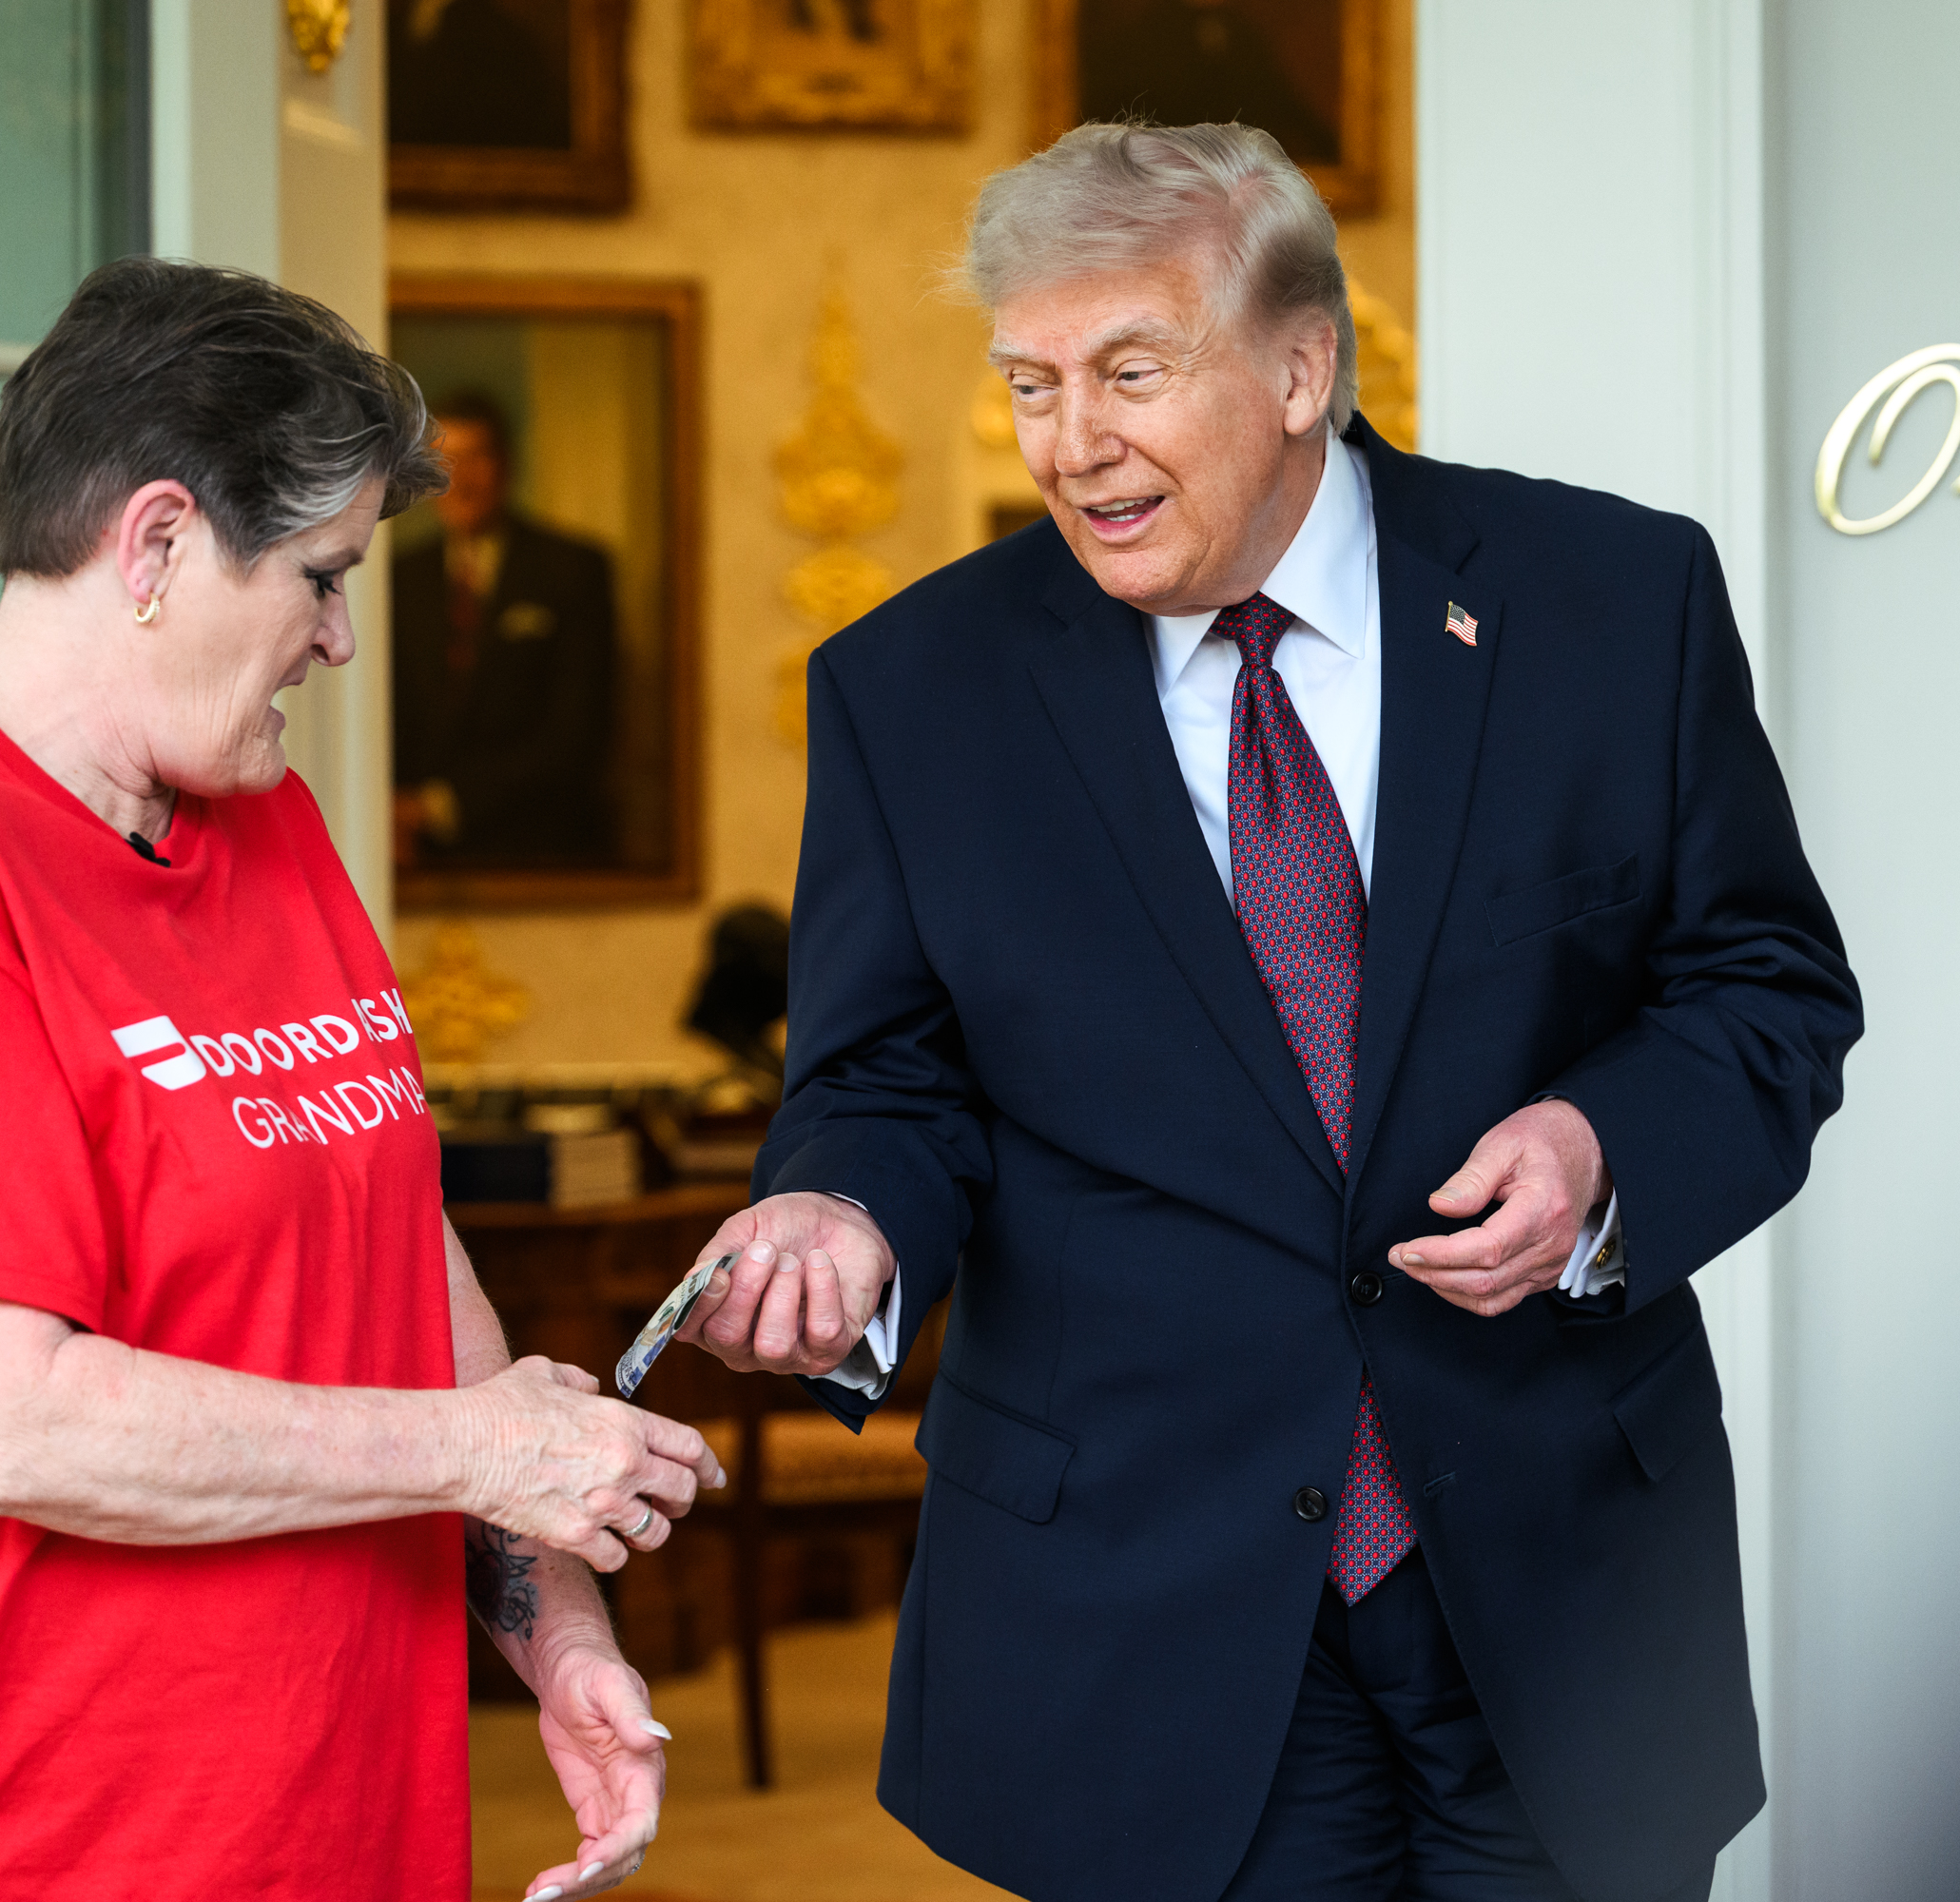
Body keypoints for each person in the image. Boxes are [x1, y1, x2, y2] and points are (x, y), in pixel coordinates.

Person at [678, 124, 1861, 1902]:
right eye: (1031, 384)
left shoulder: (1614, 602)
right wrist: (844, 1214)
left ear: (1303, 369)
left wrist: (1600, 1148)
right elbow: (886, 1079)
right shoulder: (914, 691)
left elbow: (1764, 987)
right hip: (1144, 1604)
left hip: (1560, 1593)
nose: (1071, 443)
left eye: (1130, 373)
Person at [0, 258, 722, 1902]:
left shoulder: (264, 816)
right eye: (321, 577)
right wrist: (478, 1454)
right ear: (160, 544)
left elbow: (402, 1250)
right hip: (6, 1838)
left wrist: (559, 1636)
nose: (339, 640)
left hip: (324, 1811)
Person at [391, 389, 621, 868]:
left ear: (506, 466)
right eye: (444, 460)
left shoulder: (572, 570)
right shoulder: (398, 579)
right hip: (418, 862)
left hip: (543, 854)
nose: (460, 479)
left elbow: (577, 731)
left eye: (476, 458)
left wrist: (440, 806)